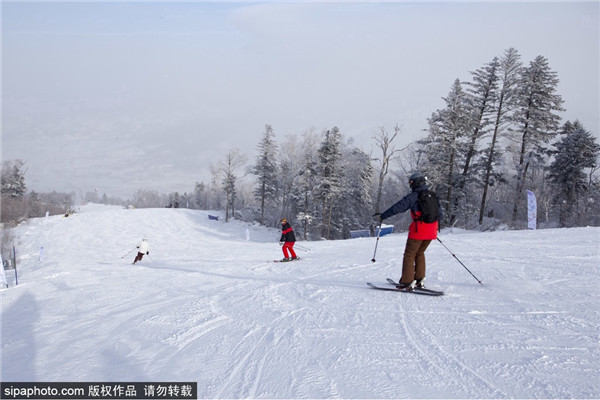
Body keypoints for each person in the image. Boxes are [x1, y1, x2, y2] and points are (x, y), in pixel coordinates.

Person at [373, 172, 443, 290]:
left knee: (409, 255)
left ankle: (407, 281)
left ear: (416, 182)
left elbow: (398, 207)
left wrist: (383, 216)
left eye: (411, 182)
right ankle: (420, 279)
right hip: (432, 230)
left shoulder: (414, 196)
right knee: (420, 253)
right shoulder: (433, 195)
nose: (410, 185)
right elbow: (440, 214)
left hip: (419, 230)